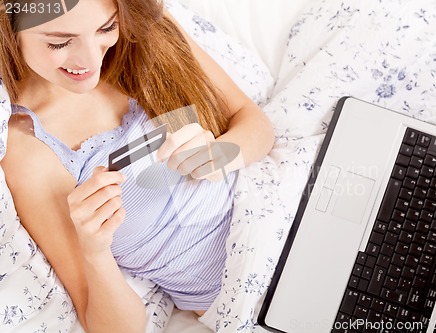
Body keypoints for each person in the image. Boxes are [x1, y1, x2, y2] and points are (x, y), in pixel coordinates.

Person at [0, 0, 274, 332]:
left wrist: (220, 155)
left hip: (292, 207)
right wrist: (95, 250)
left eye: (106, 28)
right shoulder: (29, 150)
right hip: (259, 294)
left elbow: (252, 121)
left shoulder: (147, 36)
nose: (90, 60)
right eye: (60, 42)